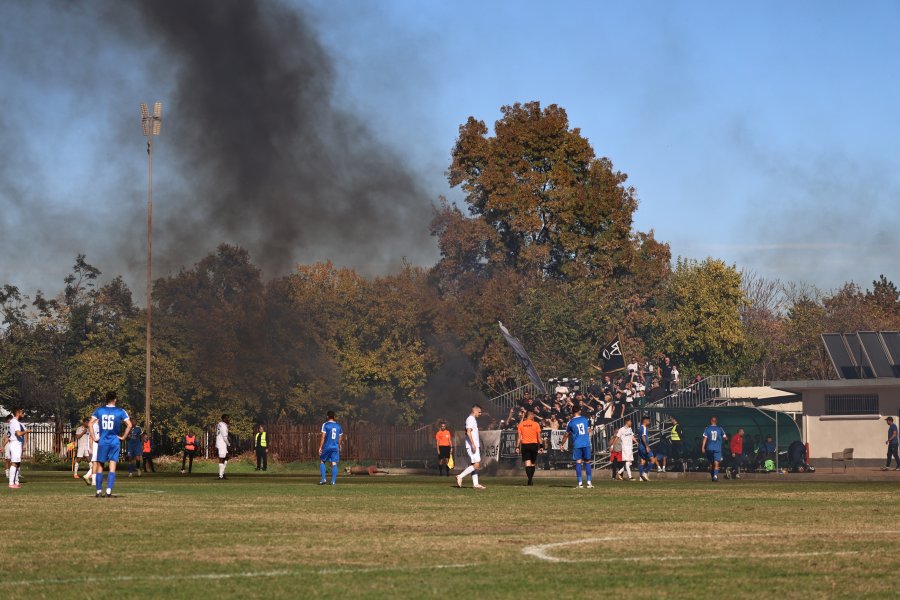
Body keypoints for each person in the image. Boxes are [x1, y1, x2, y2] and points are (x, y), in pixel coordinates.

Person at [88, 391, 132, 498]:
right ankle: (108, 491)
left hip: (103, 441)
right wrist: (123, 437)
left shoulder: (99, 410)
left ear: (106, 399)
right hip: (114, 441)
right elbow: (129, 425)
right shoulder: (120, 411)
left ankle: (98, 491)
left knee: (100, 465)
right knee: (112, 465)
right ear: (115, 399)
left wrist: (94, 438)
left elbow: (90, 424)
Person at [560, 404, 593, 489]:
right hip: (586, 443)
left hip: (577, 444)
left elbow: (566, 435)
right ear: (579, 411)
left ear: (572, 412)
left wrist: (562, 444)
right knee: (587, 462)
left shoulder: (570, 422)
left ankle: (580, 483)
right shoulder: (585, 419)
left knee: (578, 462)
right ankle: (589, 483)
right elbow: (589, 430)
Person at [456, 404, 485, 489]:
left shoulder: (472, 419)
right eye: (479, 412)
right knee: (476, 465)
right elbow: (468, 432)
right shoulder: (470, 419)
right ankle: (460, 476)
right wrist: (472, 444)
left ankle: (475, 484)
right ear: (474, 411)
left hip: (473, 445)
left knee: (474, 464)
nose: (480, 414)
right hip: (472, 445)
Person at [517, 409, 542, 486]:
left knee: (527, 463)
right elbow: (539, 437)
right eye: (533, 415)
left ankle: (529, 479)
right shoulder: (536, 424)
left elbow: (518, 437)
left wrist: (517, 447)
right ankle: (530, 479)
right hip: (534, 445)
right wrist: (541, 446)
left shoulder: (521, 424)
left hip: (525, 445)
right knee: (533, 463)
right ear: (530, 415)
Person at [318, 410, 343, 485]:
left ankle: (323, 479)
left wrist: (320, 447)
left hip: (326, 447)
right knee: (334, 462)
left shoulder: (325, 425)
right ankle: (333, 481)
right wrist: (338, 446)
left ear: (327, 417)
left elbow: (323, 437)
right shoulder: (338, 426)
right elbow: (341, 437)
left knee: (322, 461)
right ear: (334, 417)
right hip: (335, 447)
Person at [701, 416, 727, 482]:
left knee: (711, 463)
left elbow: (705, 438)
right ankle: (715, 476)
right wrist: (726, 440)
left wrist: (703, 447)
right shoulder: (720, 428)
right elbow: (725, 437)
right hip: (717, 448)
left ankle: (712, 476)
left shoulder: (707, 428)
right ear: (716, 421)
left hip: (709, 448)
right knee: (716, 462)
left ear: (710, 421)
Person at [7, 408, 28, 489]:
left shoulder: (13, 421)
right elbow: (18, 433)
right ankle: (11, 483)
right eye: (22, 412)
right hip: (15, 444)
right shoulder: (15, 422)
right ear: (18, 413)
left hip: (16, 444)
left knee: (17, 463)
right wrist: (26, 431)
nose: (23, 414)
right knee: (14, 463)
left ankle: (15, 482)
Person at [636, 415, 658, 482]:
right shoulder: (644, 428)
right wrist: (647, 446)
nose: (649, 422)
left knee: (643, 461)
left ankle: (640, 477)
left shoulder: (640, 428)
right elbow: (643, 437)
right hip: (644, 447)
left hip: (640, 447)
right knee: (653, 460)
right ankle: (645, 473)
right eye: (649, 420)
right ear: (645, 421)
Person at [216, 414, 230, 480]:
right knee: (221, 458)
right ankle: (220, 475)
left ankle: (222, 473)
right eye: (227, 418)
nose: (229, 419)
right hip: (222, 443)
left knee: (227, 457)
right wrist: (229, 444)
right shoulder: (224, 426)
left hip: (220, 442)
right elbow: (224, 437)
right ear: (224, 419)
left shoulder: (220, 424)